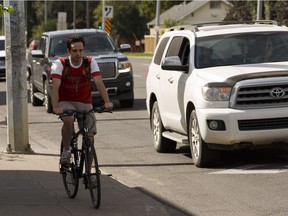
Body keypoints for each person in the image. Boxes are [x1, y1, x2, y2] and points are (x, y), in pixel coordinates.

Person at [50, 35, 113, 164]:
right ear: (69, 51)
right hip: (66, 101)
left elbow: (99, 83)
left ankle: (90, 175)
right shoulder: (61, 64)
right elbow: (55, 87)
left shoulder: (89, 62)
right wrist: (56, 106)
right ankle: (66, 150)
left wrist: (107, 102)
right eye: (75, 51)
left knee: (90, 139)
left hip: (85, 102)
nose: (78, 54)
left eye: (81, 50)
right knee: (68, 119)